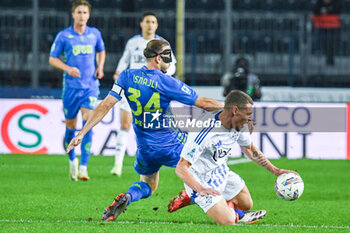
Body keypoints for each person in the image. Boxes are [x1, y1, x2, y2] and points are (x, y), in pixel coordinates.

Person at [66, 39, 223, 221]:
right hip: (172, 144)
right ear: (157, 59)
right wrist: (231, 109)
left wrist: (81, 133)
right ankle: (234, 212)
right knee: (213, 171)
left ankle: (128, 197)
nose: (170, 61)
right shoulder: (167, 82)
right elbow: (204, 103)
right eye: (167, 56)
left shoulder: (126, 76)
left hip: (145, 147)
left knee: (148, 185)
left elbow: (106, 104)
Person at [171, 90, 298, 225]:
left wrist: (275, 171)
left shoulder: (239, 125)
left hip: (220, 171)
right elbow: (181, 167)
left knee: (247, 204)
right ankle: (194, 195)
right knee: (228, 221)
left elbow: (250, 149)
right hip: (200, 179)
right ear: (235, 110)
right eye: (248, 114)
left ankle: (191, 198)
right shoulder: (204, 130)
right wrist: (200, 189)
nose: (250, 119)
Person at [110, 12, 177, 177]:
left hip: (153, 92)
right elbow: (124, 60)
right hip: (134, 89)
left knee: (152, 128)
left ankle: (153, 161)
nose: (150, 25)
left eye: (153, 22)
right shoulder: (133, 43)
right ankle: (117, 164)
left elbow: (173, 66)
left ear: (157, 25)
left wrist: (161, 77)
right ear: (142, 24)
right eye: (147, 21)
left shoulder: (163, 44)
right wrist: (119, 72)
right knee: (125, 124)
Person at [49, 0, 105, 181]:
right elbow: (52, 59)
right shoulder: (64, 36)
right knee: (70, 128)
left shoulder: (94, 34)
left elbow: (101, 50)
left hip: (90, 87)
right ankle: (72, 160)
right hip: (71, 88)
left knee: (87, 125)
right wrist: (68, 69)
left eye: (85, 12)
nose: (82, 16)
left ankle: (83, 167)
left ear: (89, 15)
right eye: (79, 12)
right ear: (73, 14)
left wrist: (100, 66)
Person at [312, 0, 342, 65]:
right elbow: (315, 11)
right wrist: (322, 11)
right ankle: (328, 58)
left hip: (333, 27)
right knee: (325, 43)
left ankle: (330, 59)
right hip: (323, 26)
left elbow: (338, 10)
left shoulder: (335, 3)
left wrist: (327, 11)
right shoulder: (319, 3)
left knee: (332, 43)